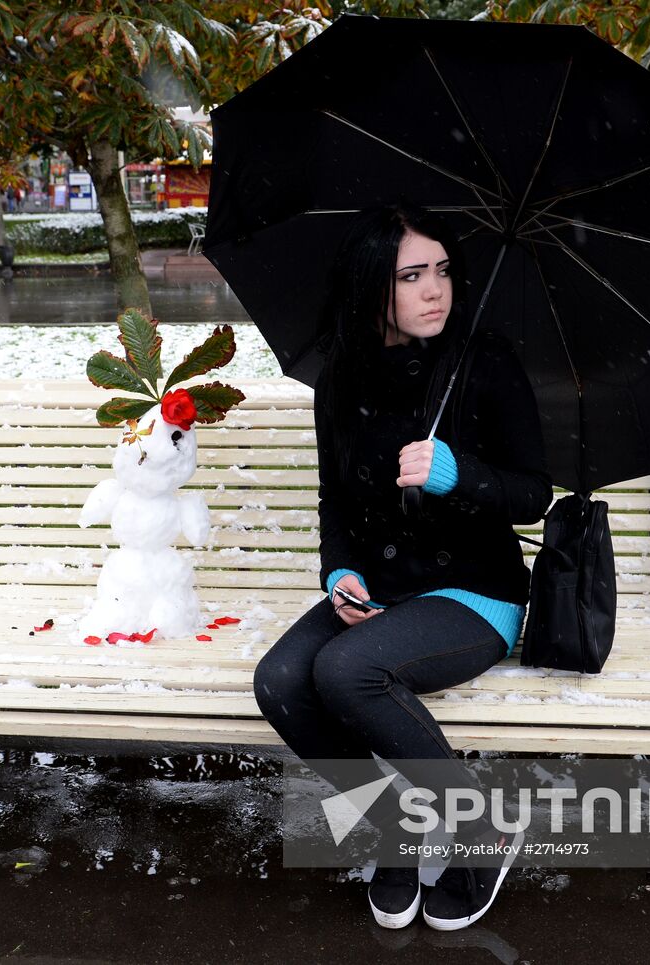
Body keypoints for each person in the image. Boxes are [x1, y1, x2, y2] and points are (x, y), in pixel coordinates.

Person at [253, 203, 553, 931]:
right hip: (384, 589)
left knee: (346, 669)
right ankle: (395, 825)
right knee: (281, 680)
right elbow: (335, 501)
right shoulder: (341, 379)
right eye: (411, 275)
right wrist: (340, 575)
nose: (435, 290)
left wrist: (460, 472)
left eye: (443, 271)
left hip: (475, 592)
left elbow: (533, 495)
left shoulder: (486, 364)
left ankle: (482, 831)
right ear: (370, 288)